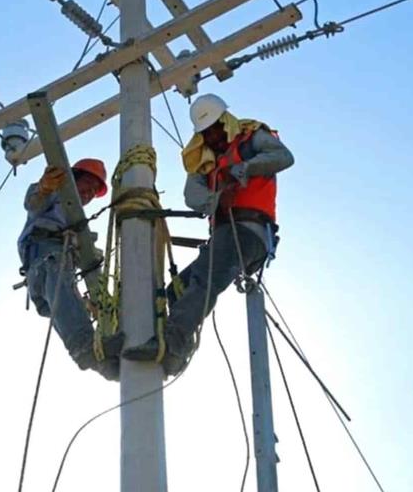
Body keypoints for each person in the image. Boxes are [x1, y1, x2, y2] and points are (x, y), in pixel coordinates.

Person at [122, 93, 294, 374]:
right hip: (226, 234)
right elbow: (193, 195)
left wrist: (242, 170)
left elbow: (284, 157)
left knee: (203, 280)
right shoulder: (203, 159)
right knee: (176, 291)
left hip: (249, 232)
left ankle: (172, 343)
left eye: (215, 129)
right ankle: (177, 351)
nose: (212, 136)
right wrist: (215, 199)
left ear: (226, 122)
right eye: (206, 132)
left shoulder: (252, 138)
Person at [18, 158, 123, 380]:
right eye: (88, 185)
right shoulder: (55, 194)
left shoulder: (77, 222)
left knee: (64, 300)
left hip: (49, 270)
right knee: (61, 289)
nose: (90, 194)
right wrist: (44, 187)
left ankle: (102, 361)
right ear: (74, 177)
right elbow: (33, 204)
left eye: (95, 191)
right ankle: (85, 349)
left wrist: (92, 301)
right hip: (44, 257)